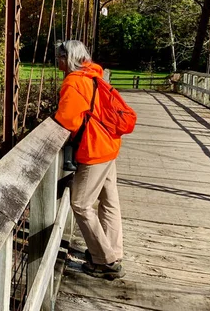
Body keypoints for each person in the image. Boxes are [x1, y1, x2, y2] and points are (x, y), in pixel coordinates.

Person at [54, 40, 125, 280]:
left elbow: (67, 120)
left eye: (59, 57)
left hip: (94, 149)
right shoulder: (95, 75)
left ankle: (105, 261)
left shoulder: (74, 82)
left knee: (81, 204)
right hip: (110, 145)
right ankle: (112, 250)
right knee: (109, 201)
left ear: (67, 58)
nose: (57, 62)